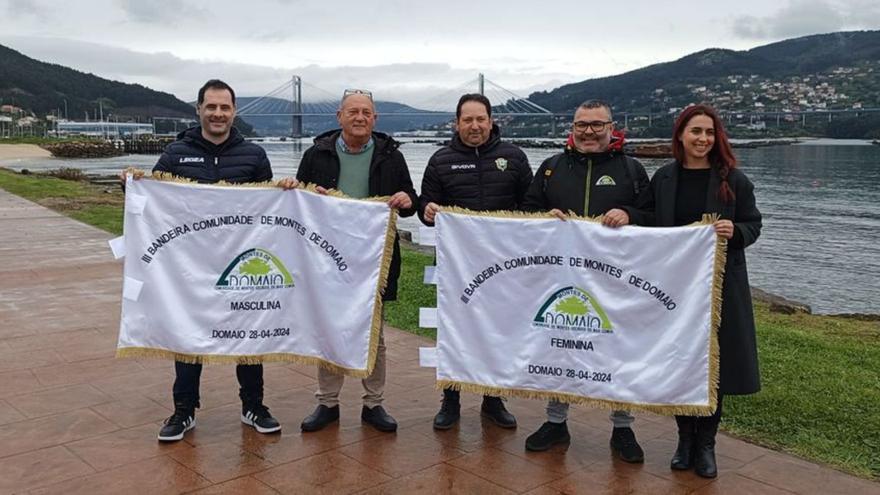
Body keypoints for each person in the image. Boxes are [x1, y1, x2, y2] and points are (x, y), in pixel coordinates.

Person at [123, 79, 291, 442]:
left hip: (238, 263)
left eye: (225, 107)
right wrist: (132, 183)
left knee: (249, 332)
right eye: (211, 107)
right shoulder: (174, 153)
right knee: (188, 332)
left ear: (234, 112)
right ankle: (183, 410)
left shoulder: (255, 156)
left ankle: (254, 405)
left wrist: (286, 193)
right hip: (190, 265)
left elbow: (268, 210)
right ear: (198, 109)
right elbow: (154, 198)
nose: (218, 114)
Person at [521, 100, 651, 462]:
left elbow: (653, 215)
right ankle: (555, 421)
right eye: (582, 125)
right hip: (561, 275)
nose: (589, 132)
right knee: (560, 340)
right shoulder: (551, 168)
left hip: (616, 278)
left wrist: (629, 213)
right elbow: (528, 207)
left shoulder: (632, 169)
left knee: (617, 345)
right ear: (572, 128)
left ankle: (623, 427)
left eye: (597, 125)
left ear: (612, 128)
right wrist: (544, 216)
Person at [648, 104, 761, 478]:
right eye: (695, 131)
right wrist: (621, 217)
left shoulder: (735, 180)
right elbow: (649, 220)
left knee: (715, 365)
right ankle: (684, 440)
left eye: (709, 133)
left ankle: (707, 444)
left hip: (720, 288)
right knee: (683, 362)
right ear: (680, 135)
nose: (703, 139)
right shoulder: (664, 178)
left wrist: (737, 232)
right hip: (676, 289)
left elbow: (753, 224)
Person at [296, 89, 418, 433]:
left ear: (374, 119)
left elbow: (411, 199)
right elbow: (299, 203)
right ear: (339, 116)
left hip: (374, 260)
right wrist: (305, 193)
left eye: (366, 112)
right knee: (328, 328)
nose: (360, 117)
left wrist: (405, 198)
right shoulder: (316, 154)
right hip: (326, 258)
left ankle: (374, 404)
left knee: (373, 333)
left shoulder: (391, 156)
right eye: (353, 111)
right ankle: (327, 402)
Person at [419, 93, 533, 430]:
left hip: (503, 265)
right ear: (457, 123)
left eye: (480, 119)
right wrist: (427, 211)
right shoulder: (440, 160)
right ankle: (450, 400)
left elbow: (530, 204)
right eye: (467, 120)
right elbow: (426, 203)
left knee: (497, 331)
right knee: (453, 330)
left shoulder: (513, 158)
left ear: (491, 120)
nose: (475, 126)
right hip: (456, 267)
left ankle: (493, 400)